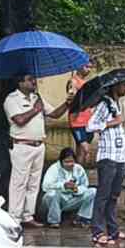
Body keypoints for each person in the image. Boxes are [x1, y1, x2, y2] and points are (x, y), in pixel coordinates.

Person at [5, 74, 73, 228]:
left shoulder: (37, 97)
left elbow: (54, 114)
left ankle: (27, 216)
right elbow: (19, 120)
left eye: (33, 79)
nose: (33, 82)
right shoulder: (12, 99)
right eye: (29, 79)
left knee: (33, 183)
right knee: (19, 183)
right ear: (20, 82)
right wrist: (36, 110)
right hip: (22, 146)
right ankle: (14, 218)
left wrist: (67, 104)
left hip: (38, 145)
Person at [86, 82, 125, 246]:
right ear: (115, 86)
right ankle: (97, 231)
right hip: (107, 156)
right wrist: (114, 122)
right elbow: (90, 126)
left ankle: (113, 230)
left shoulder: (117, 104)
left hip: (119, 156)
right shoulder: (104, 104)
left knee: (114, 196)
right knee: (103, 195)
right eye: (124, 86)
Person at [40, 148, 96, 228]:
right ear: (61, 161)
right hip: (57, 200)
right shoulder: (54, 168)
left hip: (72, 199)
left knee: (93, 191)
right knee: (52, 194)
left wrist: (77, 189)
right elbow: (45, 186)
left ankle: (81, 218)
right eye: (66, 162)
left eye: (72, 161)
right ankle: (54, 221)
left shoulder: (78, 169)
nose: (70, 164)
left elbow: (85, 185)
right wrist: (63, 186)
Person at [67, 62, 95, 167]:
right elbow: (71, 99)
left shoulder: (85, 82)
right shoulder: (73, 81)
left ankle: (78, 173)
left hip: (88, 121)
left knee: (81, 150)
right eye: (86, 66)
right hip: (77, 122)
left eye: (90, 67)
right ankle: (79, 170)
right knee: (85, 148)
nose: (88, 70)